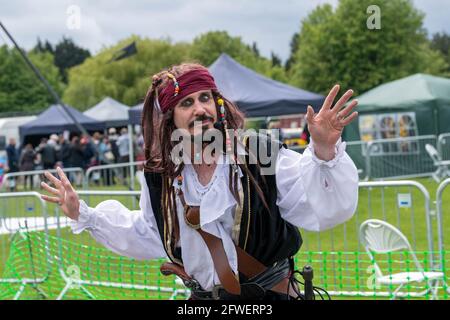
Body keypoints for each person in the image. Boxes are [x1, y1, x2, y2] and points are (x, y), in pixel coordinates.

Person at [40, 63, 359, 300]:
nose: (200, 109)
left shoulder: (258, 152)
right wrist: (84, 214)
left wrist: (324, 151)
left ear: (218, 106)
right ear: (171, 118)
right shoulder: (160, 177)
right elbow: (149, 233)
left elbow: (322, 207)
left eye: (205, 98)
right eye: (187, 103)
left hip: (270, 295)